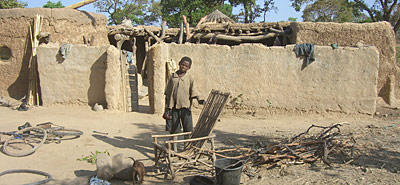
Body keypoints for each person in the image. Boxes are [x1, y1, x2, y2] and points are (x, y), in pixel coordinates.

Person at [164, 56, 204, 136]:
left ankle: (187, 147)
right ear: (179, 64)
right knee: (174, 130)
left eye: (186, 66)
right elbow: (168, 94)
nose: (183, 67)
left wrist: (199, 100)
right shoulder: (172, 77)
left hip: (185, 108)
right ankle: (173, 146)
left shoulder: (189, 78)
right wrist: (167, 108)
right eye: (182, 64)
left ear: (189, 68)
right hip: (174, 108)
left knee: (188, 129)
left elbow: (193, 92)